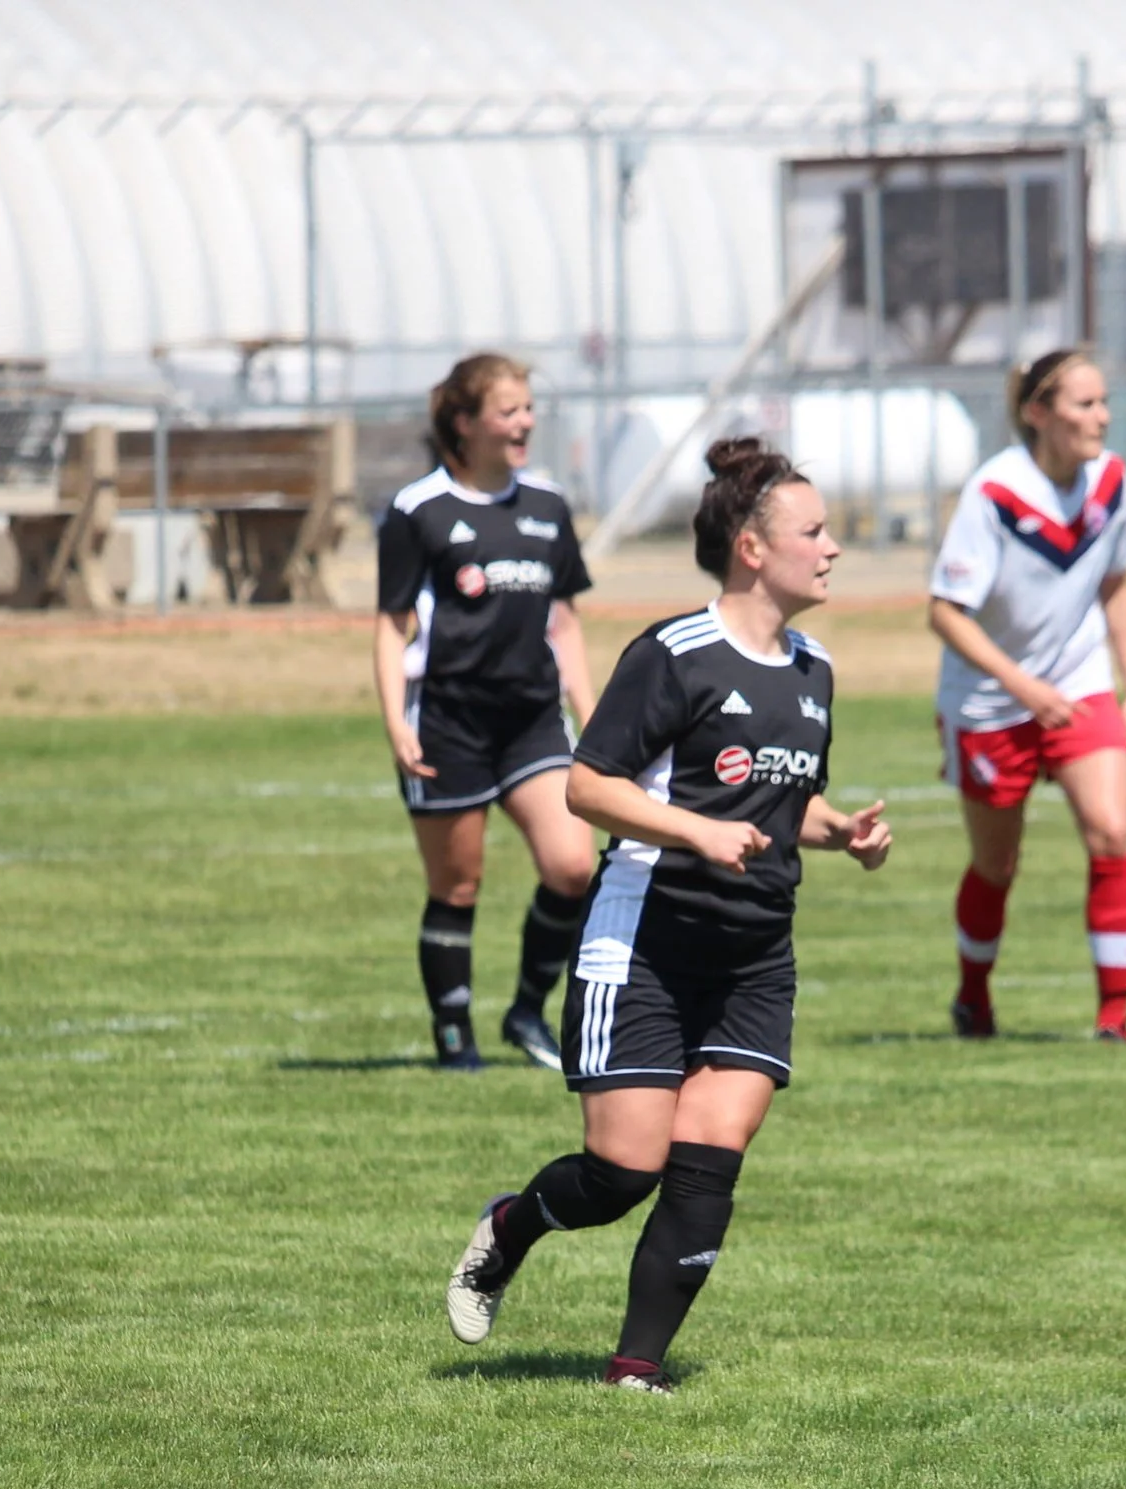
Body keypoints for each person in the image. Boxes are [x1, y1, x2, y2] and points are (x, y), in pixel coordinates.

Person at [442, 438, 892, 1393]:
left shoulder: (814, 671)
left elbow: (780, 801)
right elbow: (587, 786)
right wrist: (694, 831)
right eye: (814, 531)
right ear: (752, 549)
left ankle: (634, 1375)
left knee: (708, 1164)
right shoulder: (673, 655)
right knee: (625, 1170)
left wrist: (838, 829)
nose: (833, 548)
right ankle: (511, 1226)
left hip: (754, 959)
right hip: (644, 942)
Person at [375, 353, 598, 1072]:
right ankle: (453, 1038)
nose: (525, 421)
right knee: (458, 883)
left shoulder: (548, 506)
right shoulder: (419, 511)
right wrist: (396, 724)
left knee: (572, 868)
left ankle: (527, 1011)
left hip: (532, 721)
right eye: (508, 411)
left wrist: (593, 721)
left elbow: (563, 624)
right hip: (447, 722)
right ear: (465, 424)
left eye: (527, 408)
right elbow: (391, 625)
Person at [928, 347, 1126, 1043]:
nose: (1102, 417)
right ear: (1036, 414)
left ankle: (1114, 1020)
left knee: (1111, 833)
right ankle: (973, 998)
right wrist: (1023, 686)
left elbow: (1116, 581)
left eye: (1103, 401)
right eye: (1084, 404)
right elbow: (944, 611)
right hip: (990, 703)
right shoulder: (994, 494)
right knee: (999, 865)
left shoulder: (1112, 483)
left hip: (1081, 687)